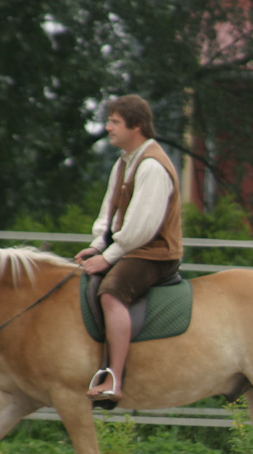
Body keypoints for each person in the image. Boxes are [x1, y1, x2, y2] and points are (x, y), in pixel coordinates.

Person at [75, 95, 183, 401]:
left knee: (111, 294)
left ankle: (114, 379)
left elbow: (141, 228)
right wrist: (97, 245)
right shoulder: (124, 162)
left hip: (154, 253)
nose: (108, 127)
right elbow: (108, 215)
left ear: (136, 126)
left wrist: (107, 258)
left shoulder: (151, 166)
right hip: (131, 248)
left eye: (115, 122)